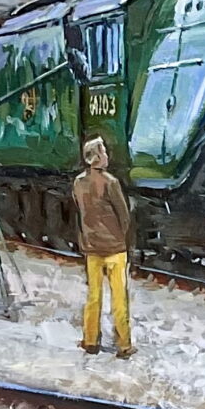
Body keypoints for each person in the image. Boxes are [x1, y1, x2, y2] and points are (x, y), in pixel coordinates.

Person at [71, 137, 136, 356]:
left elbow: (80, 212)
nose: (107, 155)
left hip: (92, 248)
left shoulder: (78, 183)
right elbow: (124, 215)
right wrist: (122, 237)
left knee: (93, 296)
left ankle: (90, 341)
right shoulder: (111, 182)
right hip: (114, 248)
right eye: (104, 151)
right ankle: (124, 345)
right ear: (98, 157)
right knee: (119, 298)